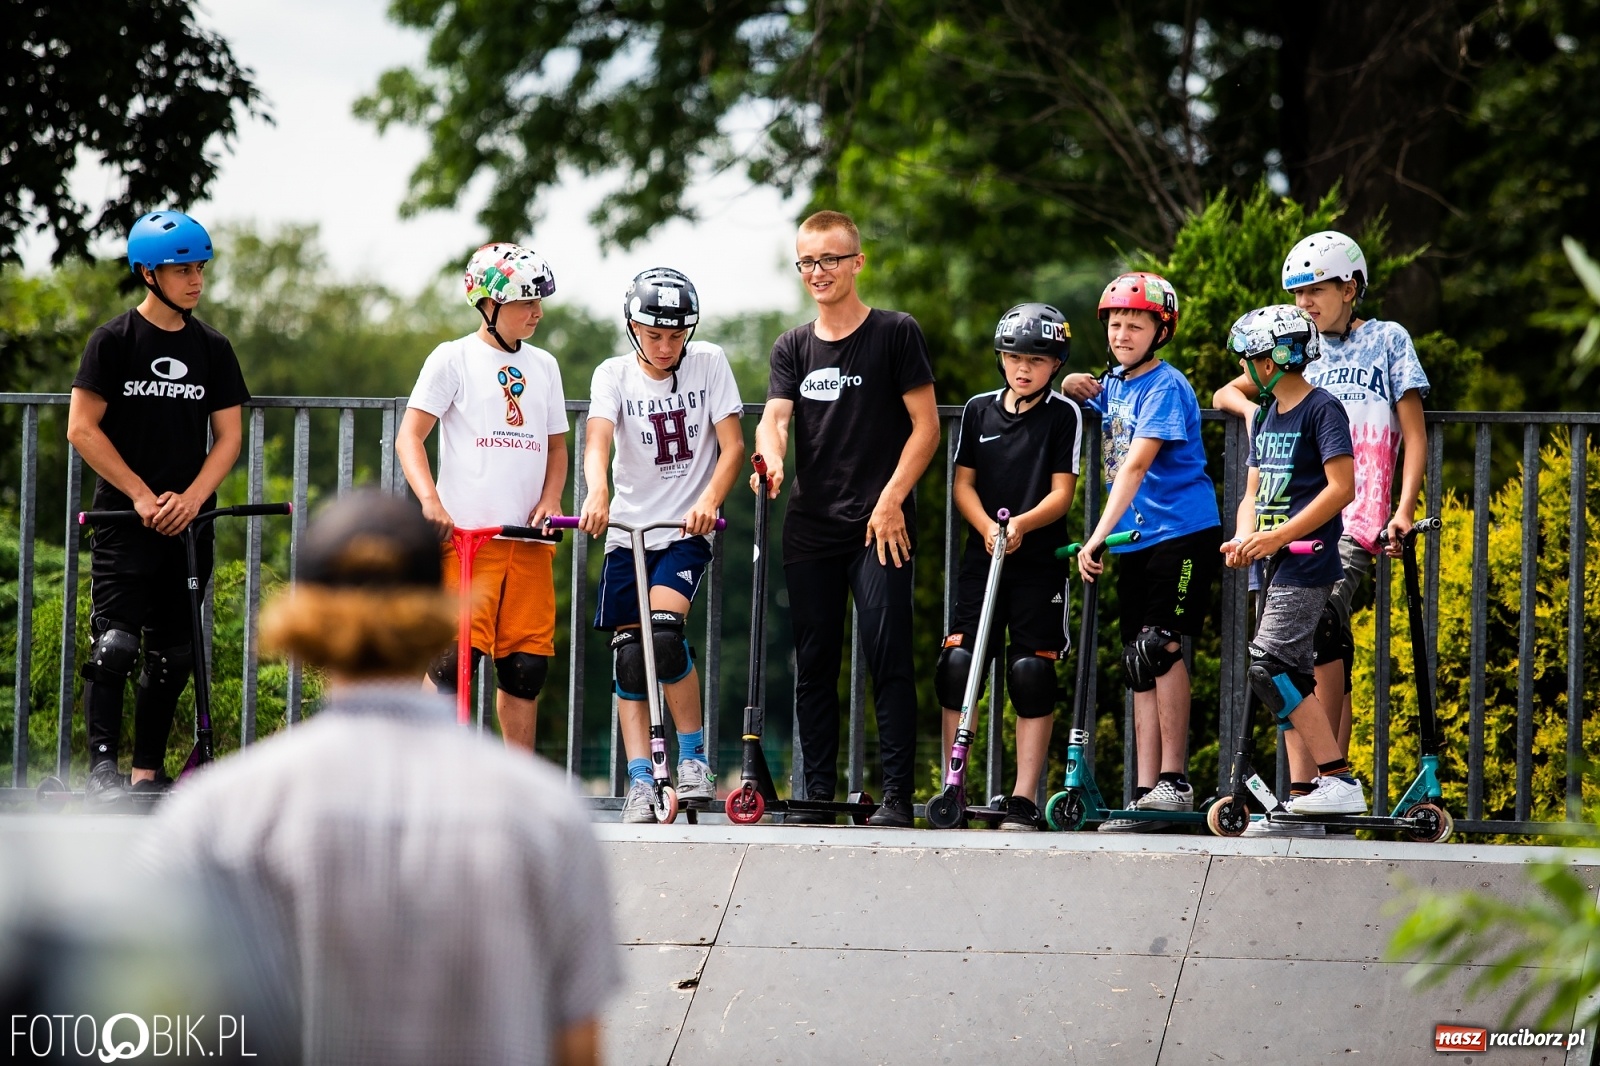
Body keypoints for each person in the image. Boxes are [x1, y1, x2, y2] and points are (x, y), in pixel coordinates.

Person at [149, 490, 620, 1065]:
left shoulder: (214, 815)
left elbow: (170, 1028)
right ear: (440, 612)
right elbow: (577, 1048)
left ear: (306, 619)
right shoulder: (546, 815)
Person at [1212, 231, 1429, 832]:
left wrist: (1403, 508)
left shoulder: (1385, 341)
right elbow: (1232, 394)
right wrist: (1255, 414)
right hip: (1282, 532)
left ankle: (1330, 781)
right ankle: (1305, 790)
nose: (1305, 302)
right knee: (1292, 655)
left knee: (1311, 639)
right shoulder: (1286, 367)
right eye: (1297, 293)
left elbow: (1413, 434)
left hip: (1351, 521)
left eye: (1315, 290)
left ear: (1350, 287)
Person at [753, 210, 940, 827]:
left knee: (889, 657)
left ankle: (897, 798)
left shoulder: (895, 332)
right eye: (807, 261)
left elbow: (926, 428)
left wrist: (891, 500)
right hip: (811, 528)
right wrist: (770, 460)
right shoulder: (792, 346)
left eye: (830, 259)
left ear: (857, 262)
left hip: (880, 527)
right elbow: (775, 419)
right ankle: (815, 798)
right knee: (814, 666)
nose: (818, 271)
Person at [67, 210, 249, 803]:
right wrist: (142, 496)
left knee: (173, 654)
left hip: (188, 525)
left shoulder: (213, 348)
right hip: (125, 519)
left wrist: (192, 500)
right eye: (181, 270)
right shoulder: (113, 341)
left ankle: (147, 776)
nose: (195, 280)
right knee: (115, 645)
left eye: (200, 269)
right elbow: (82, 429)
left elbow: (228, 438)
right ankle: (102, 774)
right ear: (149, 273)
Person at [578, 267, 745, 822]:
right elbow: (597, 441)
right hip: (629, 534)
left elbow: (732, 446)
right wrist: (597, 492)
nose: (667, 347)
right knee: (631, 656)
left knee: (666, 638)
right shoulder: (613, 374)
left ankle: (694, 759)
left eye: (676, 336)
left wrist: (710, 500)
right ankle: (641, 780)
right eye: (654, 336)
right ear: (633, 328)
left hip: (684, 530)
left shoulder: (709, 363)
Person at [1059, 272, 1222, 832]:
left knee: (1160, 648)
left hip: (1182, 533)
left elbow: (1134, 466)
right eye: (1114, 324)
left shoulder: (1165, 387)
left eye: (1135, 325)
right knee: (1137, 662)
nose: (1122, 334)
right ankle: (1146, 792)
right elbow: (1095, 406)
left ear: (1161, 331)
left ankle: (1175, 781)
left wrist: (1096, 535)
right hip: (1138, 538)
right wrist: (1075, 385)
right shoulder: (1117, 384)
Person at [397, 242, 567, 753]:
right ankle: (427, 770)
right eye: (525, 302)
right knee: (451, 663)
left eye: (539, 301)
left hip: (529, 542)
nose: (537, 312)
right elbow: (410, 437)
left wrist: (552, 497)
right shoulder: (453, 358)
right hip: (469, 539)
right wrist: (430, 502)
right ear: (489, 304)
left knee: (524, 668)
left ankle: (514, 783)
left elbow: (557, 448)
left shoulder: (545, 365)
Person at [939, 303, 1082, 831]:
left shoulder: (1063, 414)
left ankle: (1023, 798)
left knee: (1030, 674)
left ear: (1055, 364)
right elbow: (963, 483)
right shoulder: (978, 410)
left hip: (1037, 563)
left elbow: (1062, 494)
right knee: (958, 667)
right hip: (983, 558)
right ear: (1001, 358)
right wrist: (985, 526)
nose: (1024, 368)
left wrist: (1020, 524)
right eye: (1014, 357)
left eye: (1037, 360)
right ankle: (954, 786)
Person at [1222, 305, 1363, 814]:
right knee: (1290, 675)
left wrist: (1278, 536)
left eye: (1247, 360)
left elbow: (1342, 488)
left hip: (1306, 559)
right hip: (1271, 563)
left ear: (1271, 362)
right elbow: (1252, 493)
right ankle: (1303, 797)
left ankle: (1339, 780)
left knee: (1269, 667)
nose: (1243, 369)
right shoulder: (1265, 415)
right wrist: (1245, 538)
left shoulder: (1322, 409)